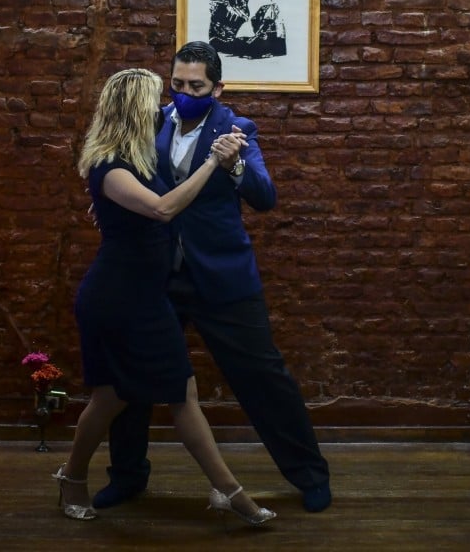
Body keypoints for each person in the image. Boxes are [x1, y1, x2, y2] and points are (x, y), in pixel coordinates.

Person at [92, 42, 332, 513]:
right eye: (177, 84)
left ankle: (310, 476)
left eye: (195, 86)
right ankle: (127, 476)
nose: (183, 93)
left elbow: (265, 198)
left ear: (217, 88)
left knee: (264, 377)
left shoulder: (237, 128)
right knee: (134, 376)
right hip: (157, 275)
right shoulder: (152, 121)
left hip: (222, 278)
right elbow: (122, 172)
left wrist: (235, 165)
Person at [56, 67, 276, 526]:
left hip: (147, 298)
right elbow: (163, 209)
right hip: (116, 300)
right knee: (110, 399)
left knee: (179, 393)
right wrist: (213, 162)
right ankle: (73, 476)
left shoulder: (139, 159)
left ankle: (228, 491)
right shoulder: (110, 164)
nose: (169, 106)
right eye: (159, 98)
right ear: (137, 109)